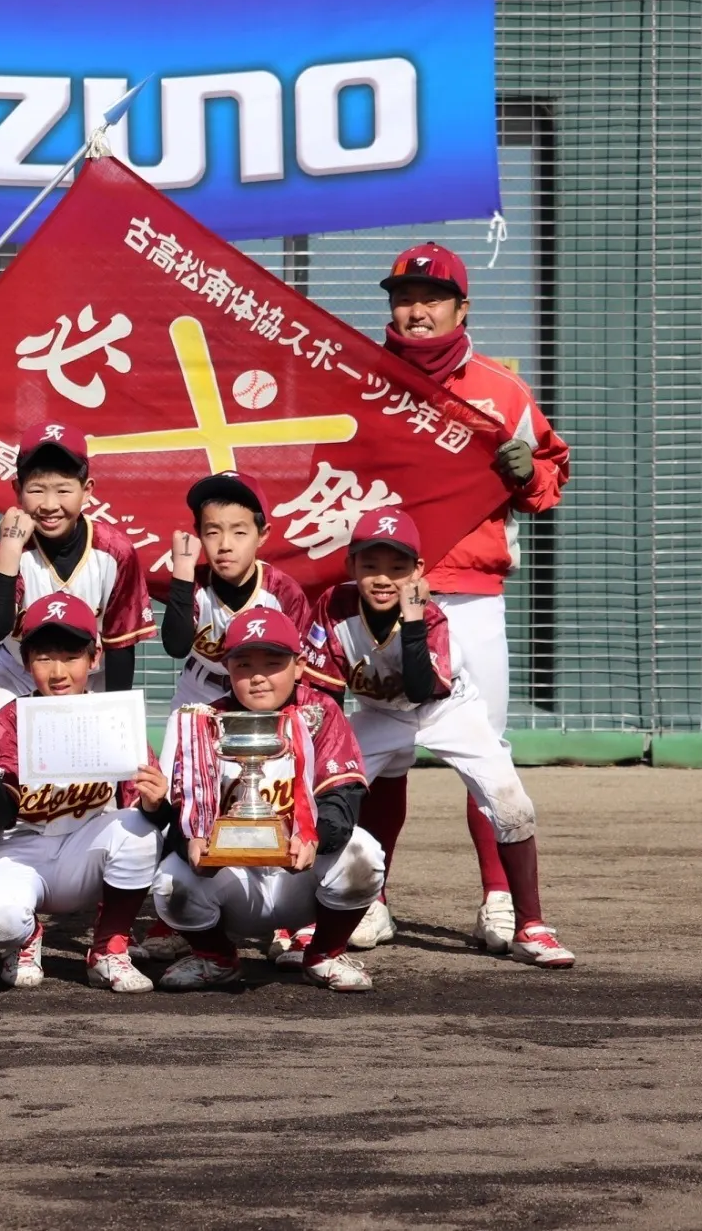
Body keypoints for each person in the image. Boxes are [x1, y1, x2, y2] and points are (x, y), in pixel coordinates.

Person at [378, 243, 570, 954]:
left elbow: (549, 478)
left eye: (431, 298)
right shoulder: (359, 379)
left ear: (462, 308)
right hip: (379, 593)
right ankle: (367, 897)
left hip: (471, 592)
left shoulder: (500, 389)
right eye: (404, 297)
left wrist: (527, 474)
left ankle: (500, 899)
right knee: (382, 753)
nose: (416, 310)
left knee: (485, 751)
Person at [305, 510, 574, 967]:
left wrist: (412, 621)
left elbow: (418, 688)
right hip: (380, 715)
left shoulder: (430, 618)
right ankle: (311, 918)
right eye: (370, 566)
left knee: (511, 801)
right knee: (316, 791)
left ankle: (530, 924)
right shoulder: (334, 606)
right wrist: (328, 760)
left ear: (418, 571)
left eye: (397, 567)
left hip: (448, 711)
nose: (383, 578)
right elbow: (323, 692)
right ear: (350, 567)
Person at [152, 606, 385, 993]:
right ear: (227, 669)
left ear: (299, 666)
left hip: (300, 876)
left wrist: (317, 837)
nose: (258, 676)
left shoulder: (320, 713)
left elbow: (343, 797)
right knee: (170, 881)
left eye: (273, 663)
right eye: (244, 664)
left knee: (363, 853)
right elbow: (183, 807)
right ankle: (216, 958)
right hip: (231, 881)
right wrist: (189, 840)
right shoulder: (205, 721)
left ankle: (324, 954)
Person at [0, 593, 165, 993]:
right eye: (44, 658)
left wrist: (156, 804)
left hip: (84, 851)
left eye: (71, 657)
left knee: (139, 830)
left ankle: (109, 947)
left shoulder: (113, 718)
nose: (58, 672)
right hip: (19, 851)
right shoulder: (10, 719)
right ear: (25, 662)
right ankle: (25, 935)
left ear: (94, 658)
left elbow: (148, 814)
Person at [0, 422, 155, 712]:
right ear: (17, 490)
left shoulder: (114, 550)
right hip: (18, 675)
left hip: (91, 678)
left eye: (63, 490)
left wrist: (116, 712)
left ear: (87, 491)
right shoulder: (12, 549)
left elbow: (120, 645)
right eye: (36, 490)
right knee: (1, 741)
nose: (49, 504)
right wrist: (10, 547)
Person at [159, 470, 311, 714]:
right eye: (212, 532)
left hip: (261, 693)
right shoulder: (193, 583)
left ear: (262, 535)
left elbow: (299, 666)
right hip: (199, 690)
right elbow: (176, 647)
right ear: (198, 534)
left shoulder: (283, 592)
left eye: (239, 532)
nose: (225, 545)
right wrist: (183, 571)